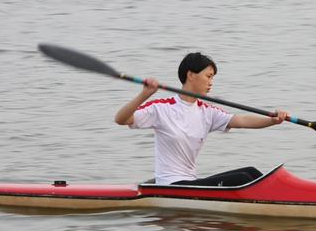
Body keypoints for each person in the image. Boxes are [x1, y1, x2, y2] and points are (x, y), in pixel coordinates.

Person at [115, 52, 288, 186]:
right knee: (241, 178)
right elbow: (121, 119)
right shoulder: (161, 108)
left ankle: (283, 198)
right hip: (170, 185)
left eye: (212, 77)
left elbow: (242, 121)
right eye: (208, 76)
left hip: (190, 181)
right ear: (191, 75)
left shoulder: (207, 112)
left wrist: (272, 120)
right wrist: (144, 94)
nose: (211, 82)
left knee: (251, 172)